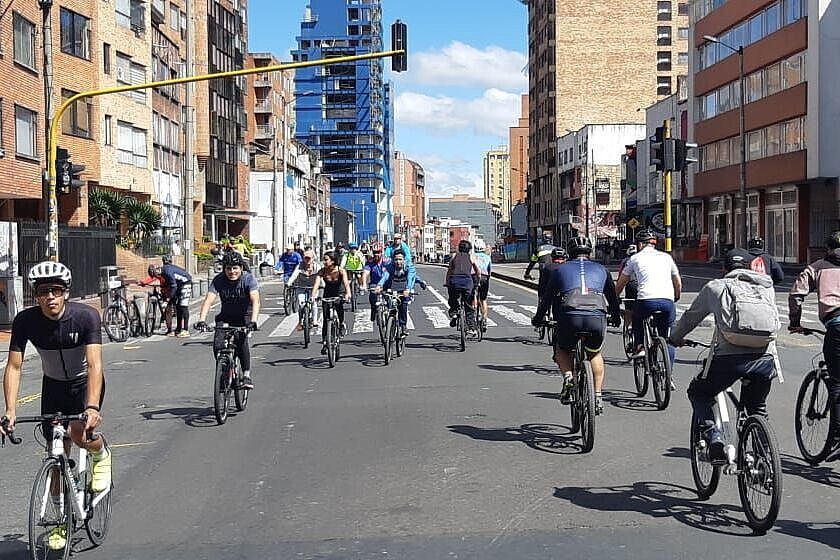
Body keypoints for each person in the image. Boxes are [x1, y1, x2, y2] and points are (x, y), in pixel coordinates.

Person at [1, 261, 111, 551]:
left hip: (83, 384)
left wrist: (92, 406)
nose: (49, 297)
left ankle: (100, 454)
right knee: (55, 455)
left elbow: (96, 364)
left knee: (78, 434)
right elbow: (14, 366)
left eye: (55, 290)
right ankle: (61, 521)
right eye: (42, 292)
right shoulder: (26, 321)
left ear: (65, 293)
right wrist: (10, 410)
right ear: (35, 296)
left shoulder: (85, 317)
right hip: (53, 387)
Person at [670, 248, 779, 462]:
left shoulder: (715, 287)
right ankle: (764, 459)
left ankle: (714, 437)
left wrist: (674, 338)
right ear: (750, 268)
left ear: (723, 268)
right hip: (765, 358)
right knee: (757, 408)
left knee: (699, 392)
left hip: (728, 359)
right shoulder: (767, 287)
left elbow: (690, 319)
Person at [532, 237, 621, 415]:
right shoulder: (601, 269)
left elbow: (547, 299)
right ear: (589, 252)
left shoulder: (561, 269)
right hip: (596, 315)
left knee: (563, 350)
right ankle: (597, 396)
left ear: (570, 253)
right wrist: (616, 317)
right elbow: (612, 298)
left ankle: (569, 377)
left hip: (569, 315)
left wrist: (538, 318)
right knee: (594, 353)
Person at [789, 231, 840, 455]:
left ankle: (837, 435)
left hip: (837, 326)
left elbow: (796, 295)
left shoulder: (817, 267)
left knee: (837, 384)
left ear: (828, 248)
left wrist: (795, 322)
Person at [615, 228, 682, 369]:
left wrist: (615, 297)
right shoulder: (666, 257)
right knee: (668, 339)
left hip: (645, 301)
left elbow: (622, 282)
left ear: (640, 245)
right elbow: (677, 280)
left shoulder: (634, 258)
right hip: (667, 302)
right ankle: (668, 374)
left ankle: (640, 347)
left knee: (637, 319)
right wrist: (676, 296)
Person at [195, 252, 261, 390]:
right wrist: (201, 320)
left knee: (241, 341)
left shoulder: (248, 279)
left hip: (244, 317)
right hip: (226, 316)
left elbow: (256, 300)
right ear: (224, 268)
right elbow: (208, 300)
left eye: (235, 268)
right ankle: (224, 370)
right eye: (229, 268)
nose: (232, 272)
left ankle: (246, 375)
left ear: (241, 268)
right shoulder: (219, 280)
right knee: (218, 344)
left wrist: (253, 321)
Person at [311, 251, 351, 354]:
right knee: (326, 319)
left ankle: (341, 323)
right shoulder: (322, 271)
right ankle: (325, 342)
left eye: (326, 260)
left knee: (339, 307)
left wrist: (348, 294)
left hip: (339, 292)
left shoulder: (340, 270)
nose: (324, 262)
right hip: (327, 294)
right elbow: (316, 284)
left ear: (333, 261)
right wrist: (312, 297)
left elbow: (346, 284)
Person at [374, 250, 417, 333]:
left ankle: (403, 325)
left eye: (400, 259)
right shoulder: (390, 266)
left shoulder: (409, 266)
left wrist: (408, 289)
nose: (398, 262)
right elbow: (385, 276)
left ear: (404, 260)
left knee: (403, 305)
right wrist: (379, 285)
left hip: (404, 286)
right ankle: (388, 320)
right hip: (393, 285)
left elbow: (411, 278)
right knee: (388, 301)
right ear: (393, 260)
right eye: (396, 259)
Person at [446, 239, 482, 331]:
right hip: (467, 282)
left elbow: (449, 270)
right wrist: (478, 280)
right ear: (469, 249)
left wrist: (447, 282)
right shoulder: (471, 257)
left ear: (459, 248)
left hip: (455, 281)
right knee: (468, 304)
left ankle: (454, 311)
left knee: (452, 297)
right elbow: (478, 271)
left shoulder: (454, 256)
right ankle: (471, 327)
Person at [161, 255, 193, 337]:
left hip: (186, 283)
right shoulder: (169, 268)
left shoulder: (166, 270)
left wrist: (168, 298)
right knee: (178, 306)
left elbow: (173, 285)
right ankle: (178, 329)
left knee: (183, 306)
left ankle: (186, 330)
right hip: (180, 284)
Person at [140, 264, 174, 335]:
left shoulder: (163, 273)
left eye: (154, 273)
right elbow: (151, 278)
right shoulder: (155, 275)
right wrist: (143, 283)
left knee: (168, 309)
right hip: (164, 290)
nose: (154, 275)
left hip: (169, 289)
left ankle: (169, 329)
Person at [292, 250, 321, 331]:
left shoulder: (317, 266)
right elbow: (294, 274)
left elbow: (321, 276)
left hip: (313, 287)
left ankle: (315, 320)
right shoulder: (300, 266)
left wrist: (324, 285)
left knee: (314, 302)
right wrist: (289, 283)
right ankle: (300, 320)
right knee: (301, 304)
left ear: (313, 259)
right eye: (305, 258)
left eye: (309, 258)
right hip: (301, 286)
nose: (307, 260)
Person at [361, 244, 391, 323]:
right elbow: (365, 273)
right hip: (374, 283)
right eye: (374, 252)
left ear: (382, 252)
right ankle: (374, 309)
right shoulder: (370, 262)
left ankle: (391, 315)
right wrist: (364, 284)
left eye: (378, 252)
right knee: (372, 296)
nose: (376, 254)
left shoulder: (387, 261)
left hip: (386, 283)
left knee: (390, 298)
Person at [524, 232, 555, 298]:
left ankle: (541, 301)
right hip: (554, 270)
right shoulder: (555, 249)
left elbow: (532, 263)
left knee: (542, 286)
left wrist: (527, 273)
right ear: (551, 240)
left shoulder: (538, 249)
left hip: (544, 269)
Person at [472, 239, 493, 329]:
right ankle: (484, 319)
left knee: (474, 296)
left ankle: (473, 316)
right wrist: (487, 278)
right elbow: (490, 271)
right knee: (483, 299)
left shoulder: (472, 256)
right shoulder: (487, 257)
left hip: (474, 277)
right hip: (484, 278)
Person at [617, 245, 638, 330]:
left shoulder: (626, 261)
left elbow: (621, 277)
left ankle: (628, 327)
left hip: (631, 285)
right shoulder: (643, 259)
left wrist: (616, 296)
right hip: (645, 285)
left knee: (629, 307)